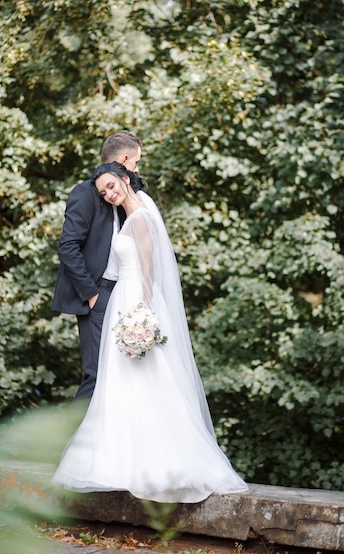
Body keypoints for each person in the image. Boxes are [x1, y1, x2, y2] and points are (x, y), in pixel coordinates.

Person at [52, 162, 248, 503]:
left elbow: (148, 271)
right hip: (121, 304)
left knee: (145, 382)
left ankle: (155, 463)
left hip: (133, 304)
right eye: (103, 192)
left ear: (125, 179)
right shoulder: (129, 216)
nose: (109, 194)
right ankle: (118, 460)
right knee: (119, 384)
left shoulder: (140, 217)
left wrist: (140, 315)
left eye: (112, 186)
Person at [52, 132, 142, 399]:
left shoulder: (131, 198)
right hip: (98, 294)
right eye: (136, 163)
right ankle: (81, 441)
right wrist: (91, 294)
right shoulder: (85, 193)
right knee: (97, 375)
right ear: (125, 159)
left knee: (124, 375)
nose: (137, 169)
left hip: (126, 293)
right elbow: (68, 246)